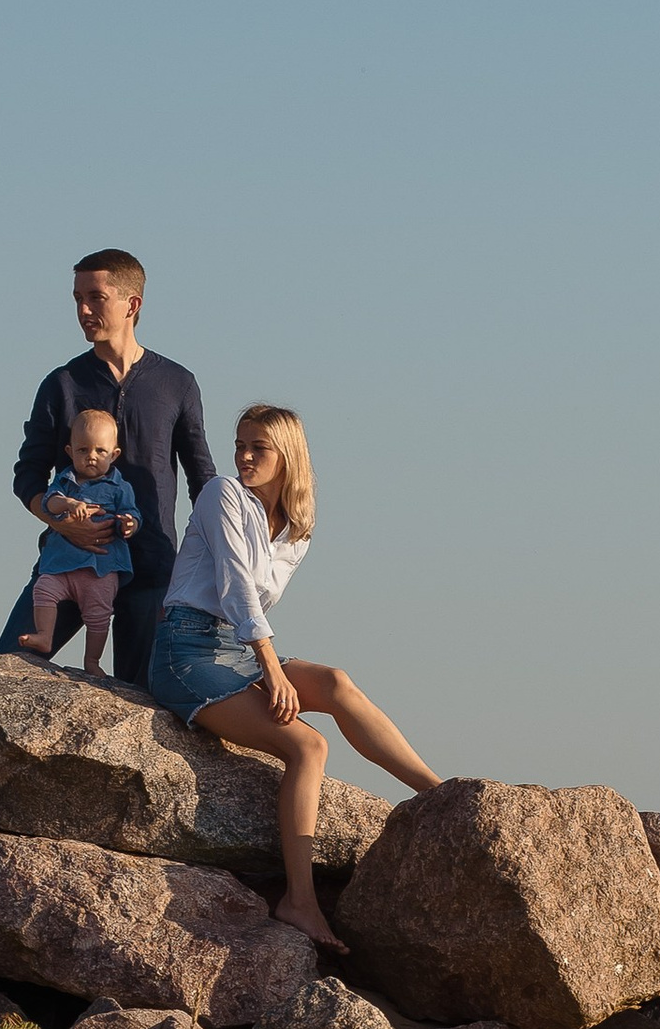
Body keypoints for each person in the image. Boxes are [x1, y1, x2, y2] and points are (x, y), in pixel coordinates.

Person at [147, 402, 441, 948]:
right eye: (240, 444)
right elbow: (237, 587)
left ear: (289, 457)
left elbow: (256, 599)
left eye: (257, 447)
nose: (243, 455)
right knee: (308, 747)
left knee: (336, 682)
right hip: (186, 652)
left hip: (236, 647)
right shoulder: (222, 496)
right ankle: (299, 902)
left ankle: (438, 795)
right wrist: (271, 671)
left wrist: (264, 665)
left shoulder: (296, 529)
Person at [0, 249, 213, 691]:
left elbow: (202, 481)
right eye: (77, 298)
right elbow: (28, 473)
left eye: (96, 297)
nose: (83, 310)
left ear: (132, 304)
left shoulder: (177, 382)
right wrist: (60, 521)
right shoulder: (62, 384)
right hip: (68, 562)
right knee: (4, 675)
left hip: (150, 569)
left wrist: (213, 561)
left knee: (142, 699)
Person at [13, 406, 139, 673]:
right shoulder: (65, 481)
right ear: (70, 451)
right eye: (83, 450)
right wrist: (69, 504)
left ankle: (91, 660)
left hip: (101, 570)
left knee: (99, 616)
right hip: (62, 566)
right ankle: (44, 635)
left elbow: (132, 513)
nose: (91, 457)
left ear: (114, 455)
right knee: (43, 589)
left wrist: (129, 524)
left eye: (100, 451)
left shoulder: (119, 487)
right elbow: (50, 502)